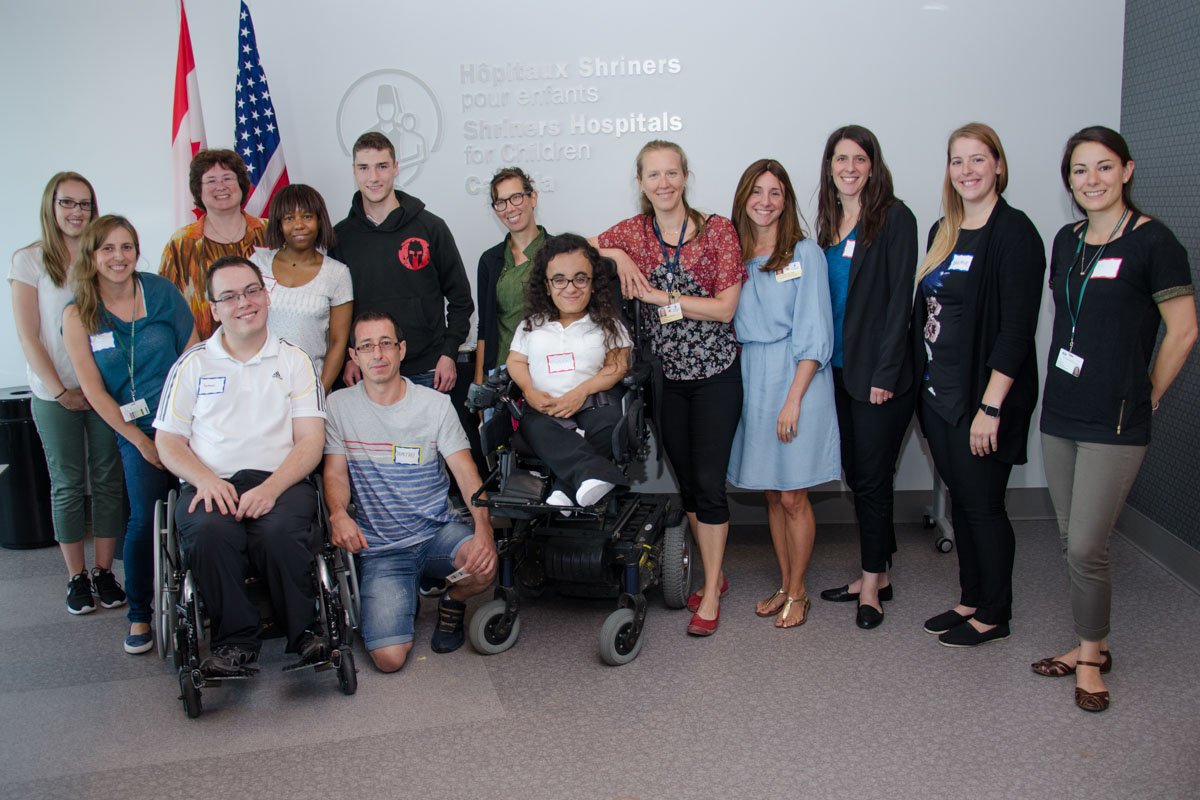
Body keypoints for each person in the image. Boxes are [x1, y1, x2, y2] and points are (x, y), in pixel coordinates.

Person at [1033, 126, 1197, 712]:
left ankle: (1093, 654)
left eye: (1103, 168)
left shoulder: (1155, 242)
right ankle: (1087, 641)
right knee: (1068, 538)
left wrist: (1149, 390)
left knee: (1086, 547)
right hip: (1061, 411)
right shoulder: (1067, 239)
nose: (1091, 180)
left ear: (1127, 171)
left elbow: (1184, 330)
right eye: (1080, 170)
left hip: (1117, 418)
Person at [594, 140, 746, 636]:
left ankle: (711, 592)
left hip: (715, 375)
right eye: (653, 175)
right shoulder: (635, 232)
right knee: (689, 485)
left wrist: (662, 295)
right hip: (666, 379)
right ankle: (714, 573)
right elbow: (590, 245)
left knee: (709, 481)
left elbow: (725, 308)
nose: (664, 183)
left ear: (686, 176)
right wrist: (617, 255)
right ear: (640, 182)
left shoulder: (717, 230)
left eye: (672, 173)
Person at [154, 256, 327, 676]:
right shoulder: (192, 364)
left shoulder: (295, 361)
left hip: (281, 479)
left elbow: (311, 442)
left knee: (280, 531)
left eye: (251, 291)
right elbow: (168, 441)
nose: (243, 303)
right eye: (229, 297)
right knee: (209, 532)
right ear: (214, 309)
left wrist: (271, 489)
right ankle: (234, 644)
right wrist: (206, 481)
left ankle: (306, 634)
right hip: (211, 482)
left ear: (266, 296)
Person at [913, 122, 1045, 647]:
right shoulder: (943, 229)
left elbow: (1016, 332)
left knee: (985, 505)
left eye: (977, 160)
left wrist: (989, 409)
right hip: (938, 394)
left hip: (982, 399)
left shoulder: (1015, 234)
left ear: (998, 166)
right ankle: (969, 598)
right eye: (957, 161)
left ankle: (995, 612)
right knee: (961, 502)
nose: (966, 171)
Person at [323, 311, 497, 672]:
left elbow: (466, 473)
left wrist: (485, 529)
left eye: (386, 344)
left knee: (482, 566)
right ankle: (406, 595)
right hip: (382, 549)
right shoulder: (339, 406)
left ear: (401, 350)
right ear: (353, 356)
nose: (378, 354)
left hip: (438, 533)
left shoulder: (434, 404)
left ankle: (452, 599)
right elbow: (335, 473)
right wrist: (338, 514)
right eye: (367, 346)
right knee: (389, 659)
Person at [61, 216, 197, 653]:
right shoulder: (78, 314)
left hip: (186, 420)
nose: (118, 257)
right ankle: (140, 614)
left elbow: (194, 352)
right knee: (143, 518)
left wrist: (190, 423)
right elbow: (95, 391)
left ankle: (211, 593)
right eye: (107, 249)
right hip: (133, 427)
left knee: (202, 506)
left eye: (126, 247)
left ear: (137, 252)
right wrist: (140, 440)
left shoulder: (160, 291)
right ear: (92, 255)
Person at [813, 126, 919, 630]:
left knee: (872, 479)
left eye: (859, 159)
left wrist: (887, 371)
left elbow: (902, 301)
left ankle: (871, 583)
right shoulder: (828, 222)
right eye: (840, 159)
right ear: (829, 166)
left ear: (873, 165)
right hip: (837, 371)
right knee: (858, 473)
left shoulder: (895, 219)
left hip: (879, 376)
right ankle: (883, 567)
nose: (849, 168)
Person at [726, 160, 840, 629]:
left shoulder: (804, 253)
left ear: (787, 200)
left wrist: (793, 398)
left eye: (775, 193)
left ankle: (799, 592)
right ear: (743, 197)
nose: (765, 202)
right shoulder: (732, 255)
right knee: (773, 494)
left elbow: (815, 330)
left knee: (794, 495)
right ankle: (784, 583)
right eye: (757, 192)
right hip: (753, 376)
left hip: (799, 376)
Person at [9, 173, 125, 615]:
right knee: (68, 484)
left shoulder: (102, 258)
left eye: (85, 204)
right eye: (68, 203)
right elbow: (28, 335)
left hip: (100, 389)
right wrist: (59, 391)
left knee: (108, 481)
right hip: (53, 391)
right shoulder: (30, 261)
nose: (77, 211)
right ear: (51, 206)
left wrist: (93, 390)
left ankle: (103, 572)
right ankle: (76, 577)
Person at [331, 132, 473, 392]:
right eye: (364, 168)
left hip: (429, 370)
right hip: (368, 372)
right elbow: (338, 311)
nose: (373, 177)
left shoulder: (430, 227)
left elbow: (461, 299)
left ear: (395, 168)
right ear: (354, 171)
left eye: (382, 166)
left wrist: (449, 352)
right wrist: (348, 359)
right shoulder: (340, 237)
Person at [506, 234, 633, 511]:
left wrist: (580, 393)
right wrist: (528, 389)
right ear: (547, 286)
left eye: (580, 278)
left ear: (592, 284)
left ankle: (565, 489)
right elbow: (515, 362)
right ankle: (591, 478)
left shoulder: (607, 323)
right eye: (559, 280)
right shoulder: (532, 324)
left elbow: (618, 365)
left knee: (612, 423)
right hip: (544, 409)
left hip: (592, 405)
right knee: (531, 425)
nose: (570, 288)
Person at [249, 183, 353, 393]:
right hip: (257, 385)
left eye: (306, 216)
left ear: (319, 220)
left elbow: (337, 342)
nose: (299, 225)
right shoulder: (257, 264)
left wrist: (318, 393)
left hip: (308, 386)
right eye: (289, 218)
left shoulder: (337, 274)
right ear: (278, 224)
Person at [160, 149, 267, 340]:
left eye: (227, 178)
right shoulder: (181, 244)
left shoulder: (269, 233)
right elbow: (165, 307)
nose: (221, 186)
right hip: (204, 356)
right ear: (198, 190)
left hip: (269, 349)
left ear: (241, 184)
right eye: (211, 181)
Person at [475, 167, 548, 385]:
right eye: (501, 202)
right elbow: (484, 328)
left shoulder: (557, 252)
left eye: (516, 198)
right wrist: (479, 382)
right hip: (501, 375)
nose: (509, 208)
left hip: (546, 370)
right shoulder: (490, 260)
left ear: (532, 198)